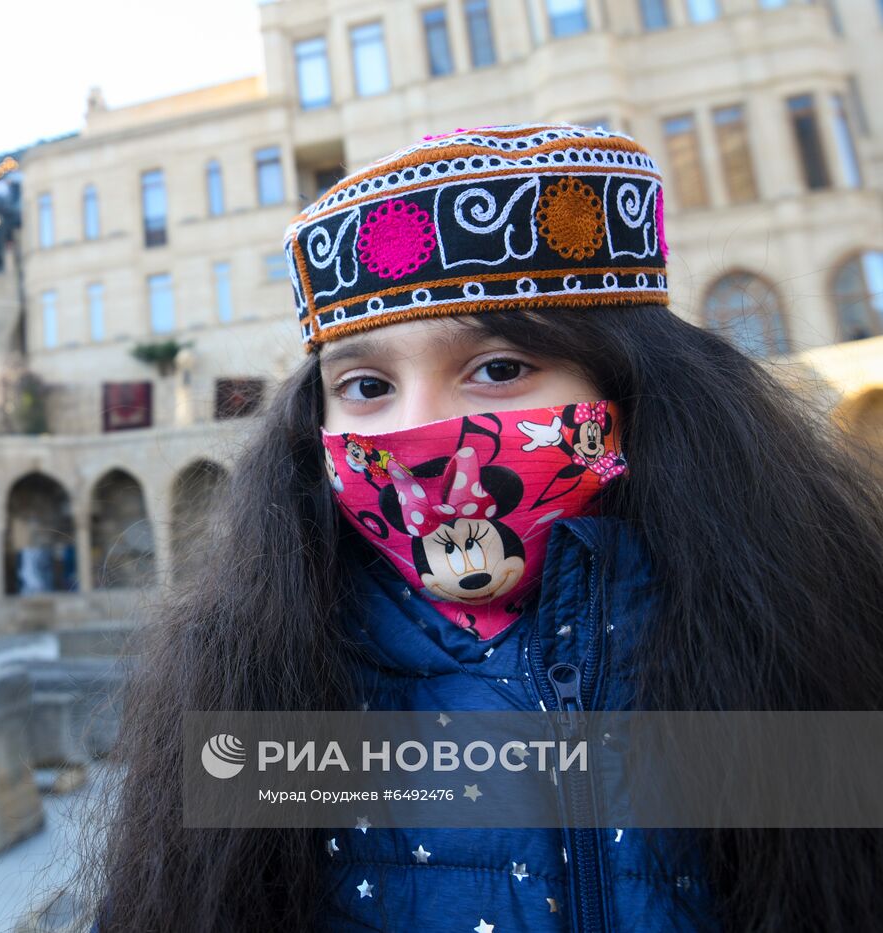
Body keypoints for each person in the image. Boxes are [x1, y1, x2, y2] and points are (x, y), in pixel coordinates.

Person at [74, 123, 883, 932]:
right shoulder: (252, 680)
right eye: (364, 384)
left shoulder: (810, 631)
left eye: (497, 369)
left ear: (634, 388)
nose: (416, 434)